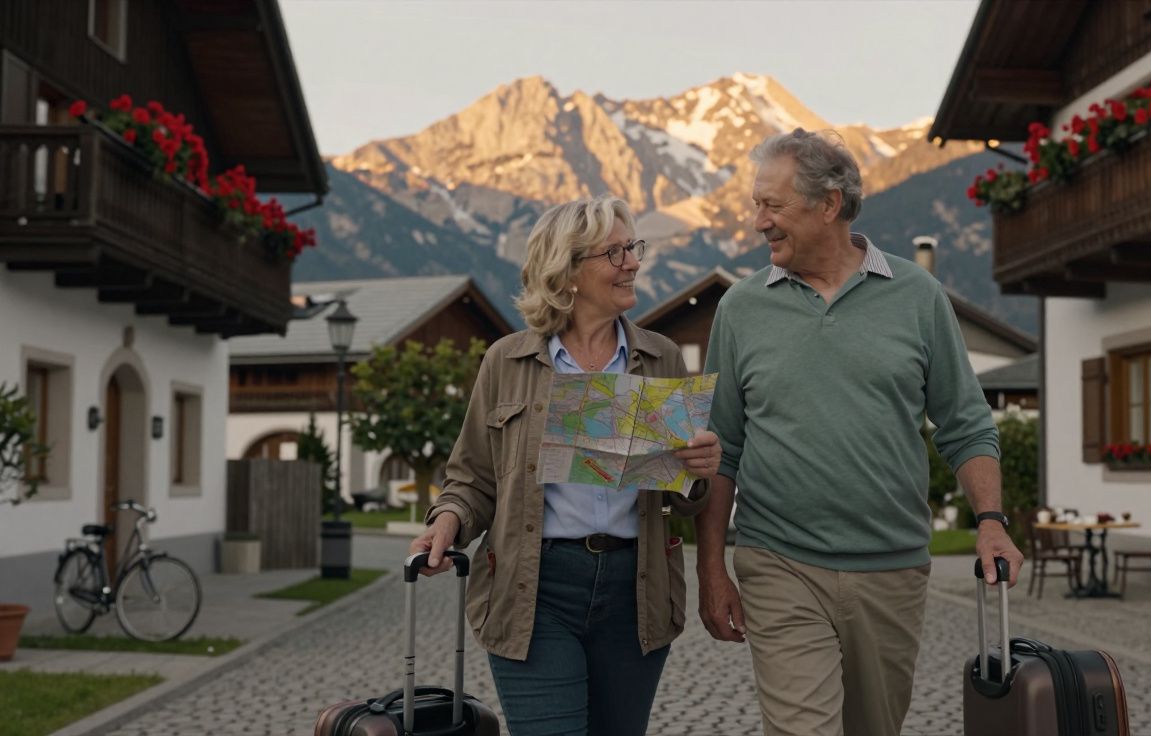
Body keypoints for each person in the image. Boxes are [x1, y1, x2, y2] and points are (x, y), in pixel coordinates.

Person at [695, 129, 1024, 736]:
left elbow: (967, 424)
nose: (758, 221)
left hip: (890, 567)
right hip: (779, 561)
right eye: (756, 204)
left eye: (773, 205)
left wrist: (990, 523)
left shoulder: (918, 296)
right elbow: (723, 449)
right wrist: (711, 569)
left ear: (828, 205)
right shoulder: (741, 309)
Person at [409, 195, 721, 736]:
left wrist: (699, 468)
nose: (633, 262)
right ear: (568, 271)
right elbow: (472, 478)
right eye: (615, 252)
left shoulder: (663, 358)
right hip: (534, 590)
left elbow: (682, 497)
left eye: (633, 247)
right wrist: (447, 522)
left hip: (636, 590)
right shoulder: (506, 361)